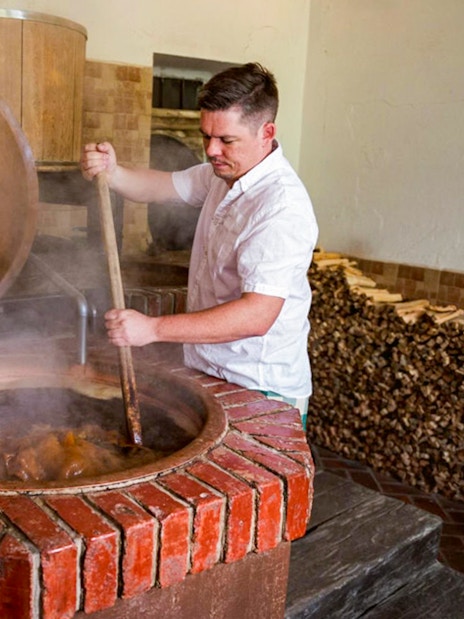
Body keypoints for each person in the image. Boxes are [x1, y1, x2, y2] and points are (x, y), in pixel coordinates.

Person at [81, 62, 318, 428]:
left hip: (260, 387)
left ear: (266, 132)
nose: (211, 149)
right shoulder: (220, 173)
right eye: (205, 135)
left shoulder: (280, 206)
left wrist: (153, 329)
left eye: (226, 139)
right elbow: (161, 186)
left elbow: (257, 315)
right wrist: (114, 173)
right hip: (211, 368)